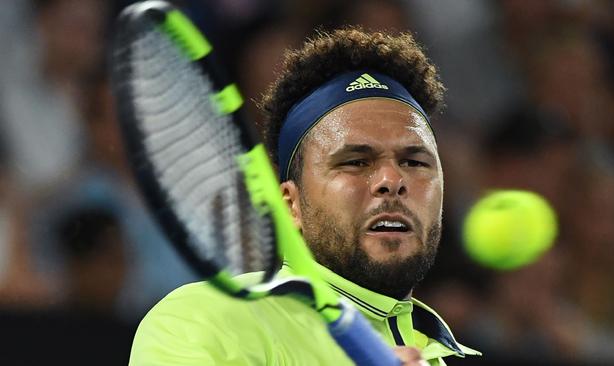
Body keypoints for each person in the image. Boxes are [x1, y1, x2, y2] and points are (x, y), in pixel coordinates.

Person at [129, 28, 480, 365]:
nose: (392, 179)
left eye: (414, 161)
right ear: (291, 205)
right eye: (356, 162)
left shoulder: (441, 353)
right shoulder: (205, 319)